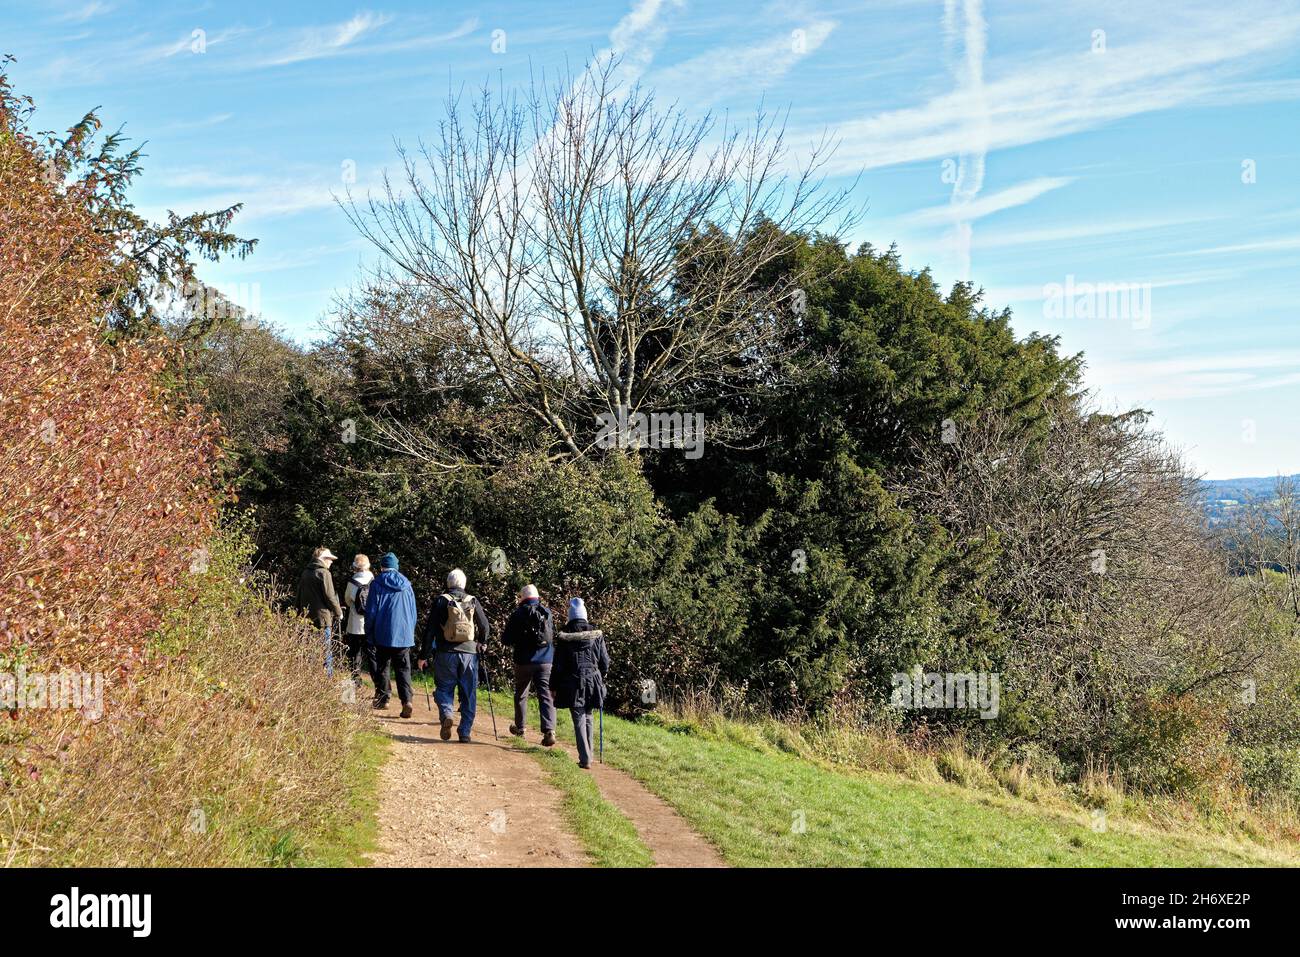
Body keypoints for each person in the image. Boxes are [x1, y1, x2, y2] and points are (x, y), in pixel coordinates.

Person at [419, 568, 490, 742]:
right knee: (468, 693)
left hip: (445, 653)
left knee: (444, 688)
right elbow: (485, 626)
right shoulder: (472, 600)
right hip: (469, 655)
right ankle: (465, 732)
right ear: (464, 584)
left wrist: (423, 655)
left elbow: (430, 630)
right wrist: (482, 642)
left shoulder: (442, 601)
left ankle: (447, 714)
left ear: (448, 583)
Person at [552, 597, 609, 769]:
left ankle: (585, 759)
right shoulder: (597, 636)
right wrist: (601, 676)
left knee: (578, 718)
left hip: (572, 681)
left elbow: (558, 665)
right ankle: (588, 755)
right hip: (593, 679)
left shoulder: (564, 638)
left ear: (570, 617)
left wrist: (553, 686)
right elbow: (604, 662)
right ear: (585, 616)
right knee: (589, 715)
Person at [501, 584, 556, 746]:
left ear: (522, 597)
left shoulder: (517, 614)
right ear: (537, 597)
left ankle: (520, 728)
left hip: (523, 662)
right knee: (546, 695)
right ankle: (549, 730)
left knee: (521, 694)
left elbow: (506, 639)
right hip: (546, 661)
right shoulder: (547, 613)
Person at [364, 552, 417, 718]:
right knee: (403, 669)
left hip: (383, 633)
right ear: (396, 566)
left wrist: (369, 633)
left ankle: (384, 698)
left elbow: (371, 611)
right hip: (403, 634)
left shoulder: (376, 584)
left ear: (382, 567)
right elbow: (413, 612)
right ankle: (406, 700)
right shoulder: (407, 584)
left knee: (382, 667)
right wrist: (410, 630)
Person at [294, 547, 343, 675]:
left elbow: (299, 595)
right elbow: (330, 596)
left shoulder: (305, 572)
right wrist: (339, 612)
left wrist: (297, 614)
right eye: (329, 559)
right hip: (322, 619)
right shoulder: (324, 573)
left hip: (307, 617)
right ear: (323, 559)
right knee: (326, 650)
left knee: (310, 650)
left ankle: (311, 677)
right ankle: (328, 679)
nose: (331, 562)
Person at [342, 554, 374, 687]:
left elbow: (348, 601)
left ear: (355, 567)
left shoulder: (352, 582)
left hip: (355, 624)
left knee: (355, 654)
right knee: (373, 655)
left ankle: (355, 682)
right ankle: (379, 685)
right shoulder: (374, 580)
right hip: (370, 623)